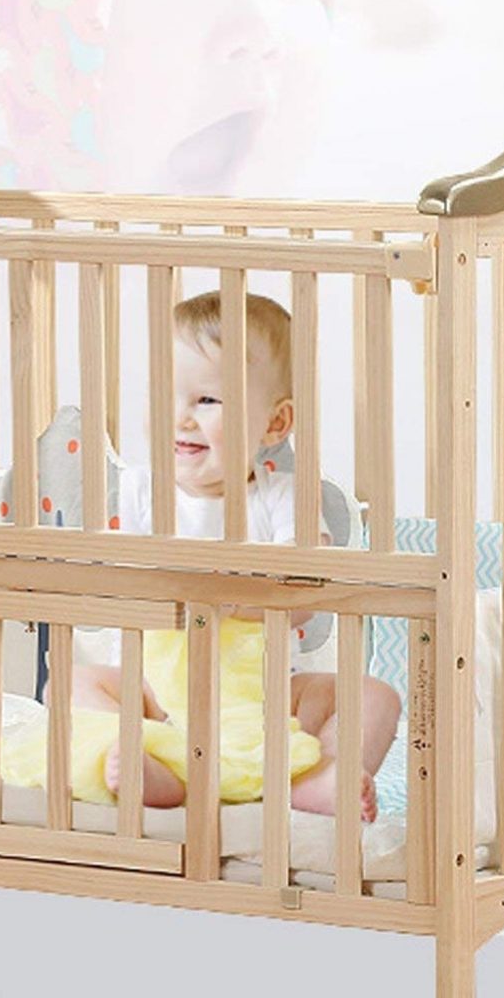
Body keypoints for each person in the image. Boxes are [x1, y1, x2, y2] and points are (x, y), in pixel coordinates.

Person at [72, 290, 401, 821]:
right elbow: (120, 586)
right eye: (166, 394)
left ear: (275, 423)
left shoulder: (283, 497)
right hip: (158, 697)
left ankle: (321, 777)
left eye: (206, 400)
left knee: (375, 695)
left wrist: (237, 599)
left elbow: (308, 593)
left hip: (266, 698)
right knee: (74, 683)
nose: (181, 418)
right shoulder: (139, 492)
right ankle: (151, 763)